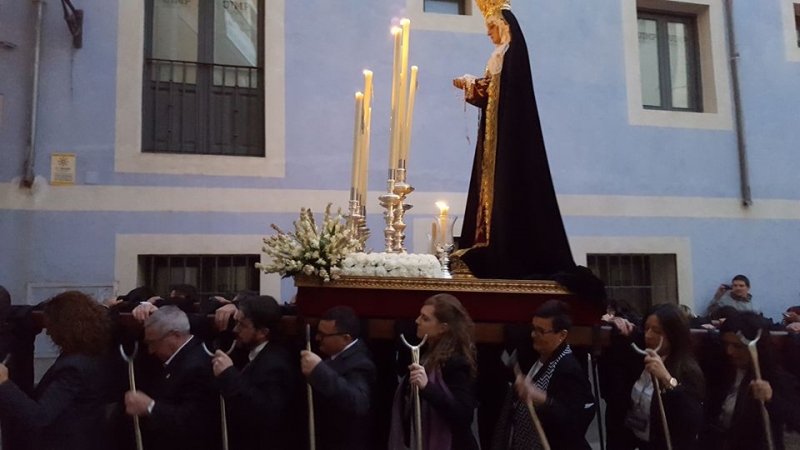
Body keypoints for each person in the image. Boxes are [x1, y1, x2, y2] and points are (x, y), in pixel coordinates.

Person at [449, 0, 603, 300]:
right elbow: (494, 94)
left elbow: (507, 93)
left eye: (491, 27)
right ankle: (485, 242)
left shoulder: (511, 54)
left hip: (509, 139)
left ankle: (502, 248)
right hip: (495, 138)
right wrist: (471, 86)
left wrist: (478, 86)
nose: (488, 33)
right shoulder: (500, 56)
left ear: (503, 25)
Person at [0, 291, 113, 450]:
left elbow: (40, 416)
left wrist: (4, 383)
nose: (48, 332)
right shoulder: (91, 354)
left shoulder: (74, 368)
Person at [493, 299, 595, 449]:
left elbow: (573, 421)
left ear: (562, 335)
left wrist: (542, 399)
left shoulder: (568, 369)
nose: (534, 335)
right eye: (533, 329)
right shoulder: (532, 355)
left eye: (541, 331)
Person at [606, 303, 705, 450]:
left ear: (673, 335)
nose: (649, 336)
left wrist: (667, 379)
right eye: (646, 329)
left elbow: (691, 419)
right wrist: (616, 320)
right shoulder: (639, 358)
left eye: (657, 331)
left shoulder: (687, 370)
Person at [388, 293, 479, 450]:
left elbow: (464, 415)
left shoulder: (454, 363)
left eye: (425, 319)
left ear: (442, 328)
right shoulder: (426, 353)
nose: (417, 321)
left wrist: (428, 388)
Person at [700, 311, 800, 450]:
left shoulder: (778, 379)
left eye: (738, 346)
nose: (729, 351)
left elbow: (795, 421)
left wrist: (772, 399)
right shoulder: (720, 372)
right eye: (726, 344)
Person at [124, 305, 219, 450]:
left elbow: (193, 421)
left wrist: (150, 406)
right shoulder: (186, 356)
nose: (150, 350)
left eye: (153, 343)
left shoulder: (197, 367)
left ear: (175, 335)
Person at [211, 295, 298, 450]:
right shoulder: (248, 350)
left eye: (242, 325)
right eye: (236, 323)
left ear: (263, 332)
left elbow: (265, 412)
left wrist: (229, 374)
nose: (235, 330)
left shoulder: (276, 364)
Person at [300, 306, 376, 450]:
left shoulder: (361, 364)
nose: (317, 338)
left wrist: (319, 370)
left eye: (323, 335)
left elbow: (358, 402)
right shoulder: (337, 356)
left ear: (345, 338)